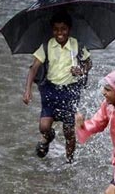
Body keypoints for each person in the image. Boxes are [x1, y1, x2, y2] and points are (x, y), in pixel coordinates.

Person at [23, 11, 92, 163]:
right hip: (50, 90)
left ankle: (70, 161)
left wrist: (81, 70)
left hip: (70, 91)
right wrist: (27, 90)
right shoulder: (47, 46)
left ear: (69, 29)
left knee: (69, 132)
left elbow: (89, 62)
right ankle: (49, 137)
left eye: (63, 29)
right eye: (56, 29)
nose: (60, 33)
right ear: (52, 30)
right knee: (44, 126)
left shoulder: (76, 45)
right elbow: (33, 68)